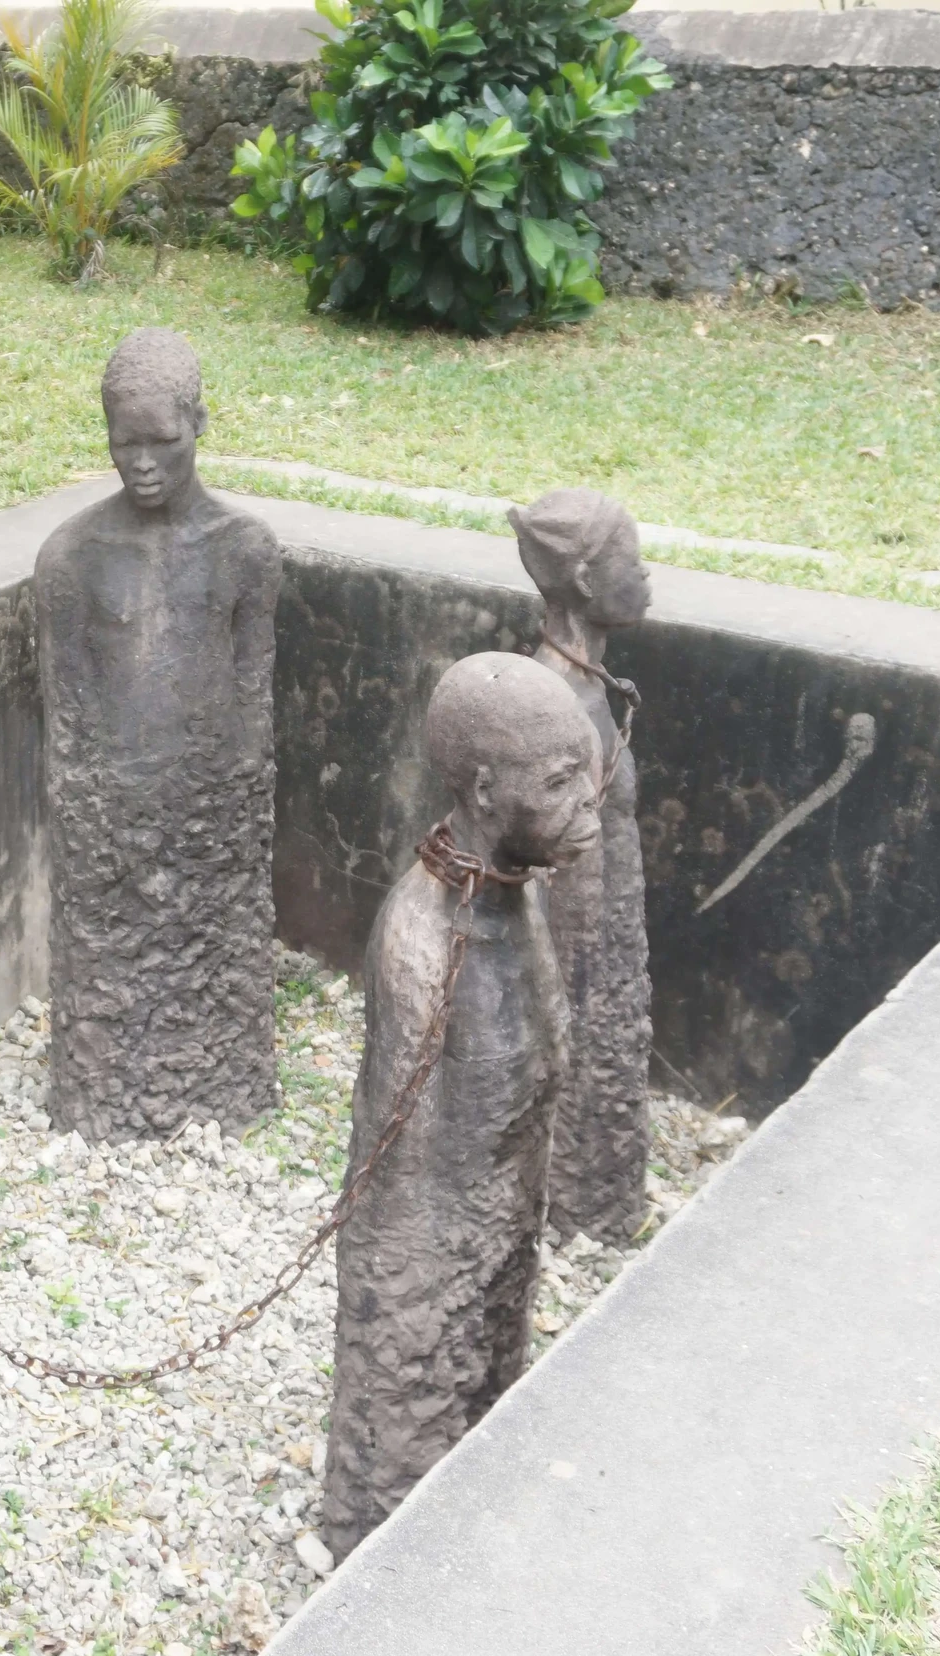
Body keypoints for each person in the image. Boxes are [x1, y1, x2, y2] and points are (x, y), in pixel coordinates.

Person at [321, 653, 602, 1563]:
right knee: (418, 1439)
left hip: (499, 1229)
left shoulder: (515, 897)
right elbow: (394, 1174)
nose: (589, 801)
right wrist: (414, 1327)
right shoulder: (419, 939)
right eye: (561, 783)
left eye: (589, 772)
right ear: (486, 791)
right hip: (434, 1256)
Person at [33, 326, 284, 1140]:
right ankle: (104, 1098)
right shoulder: (71, 557)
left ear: (200, 426)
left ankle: (222, 1084)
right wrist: (101, 834)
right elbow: (66, 724)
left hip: (210, 827)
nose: (142, 462)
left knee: (211, 974)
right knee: (111, 992)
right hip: (110, 831)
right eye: (123, 442)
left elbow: (252, 717)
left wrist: (221, 837)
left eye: (162, 442)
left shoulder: (245, 551)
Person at [510, 488, 656, 1244]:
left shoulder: (590, 690)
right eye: (632, 560)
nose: (648, 574)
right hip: (578, 967)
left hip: (606, 964)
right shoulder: (557, 708)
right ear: (588, 582)